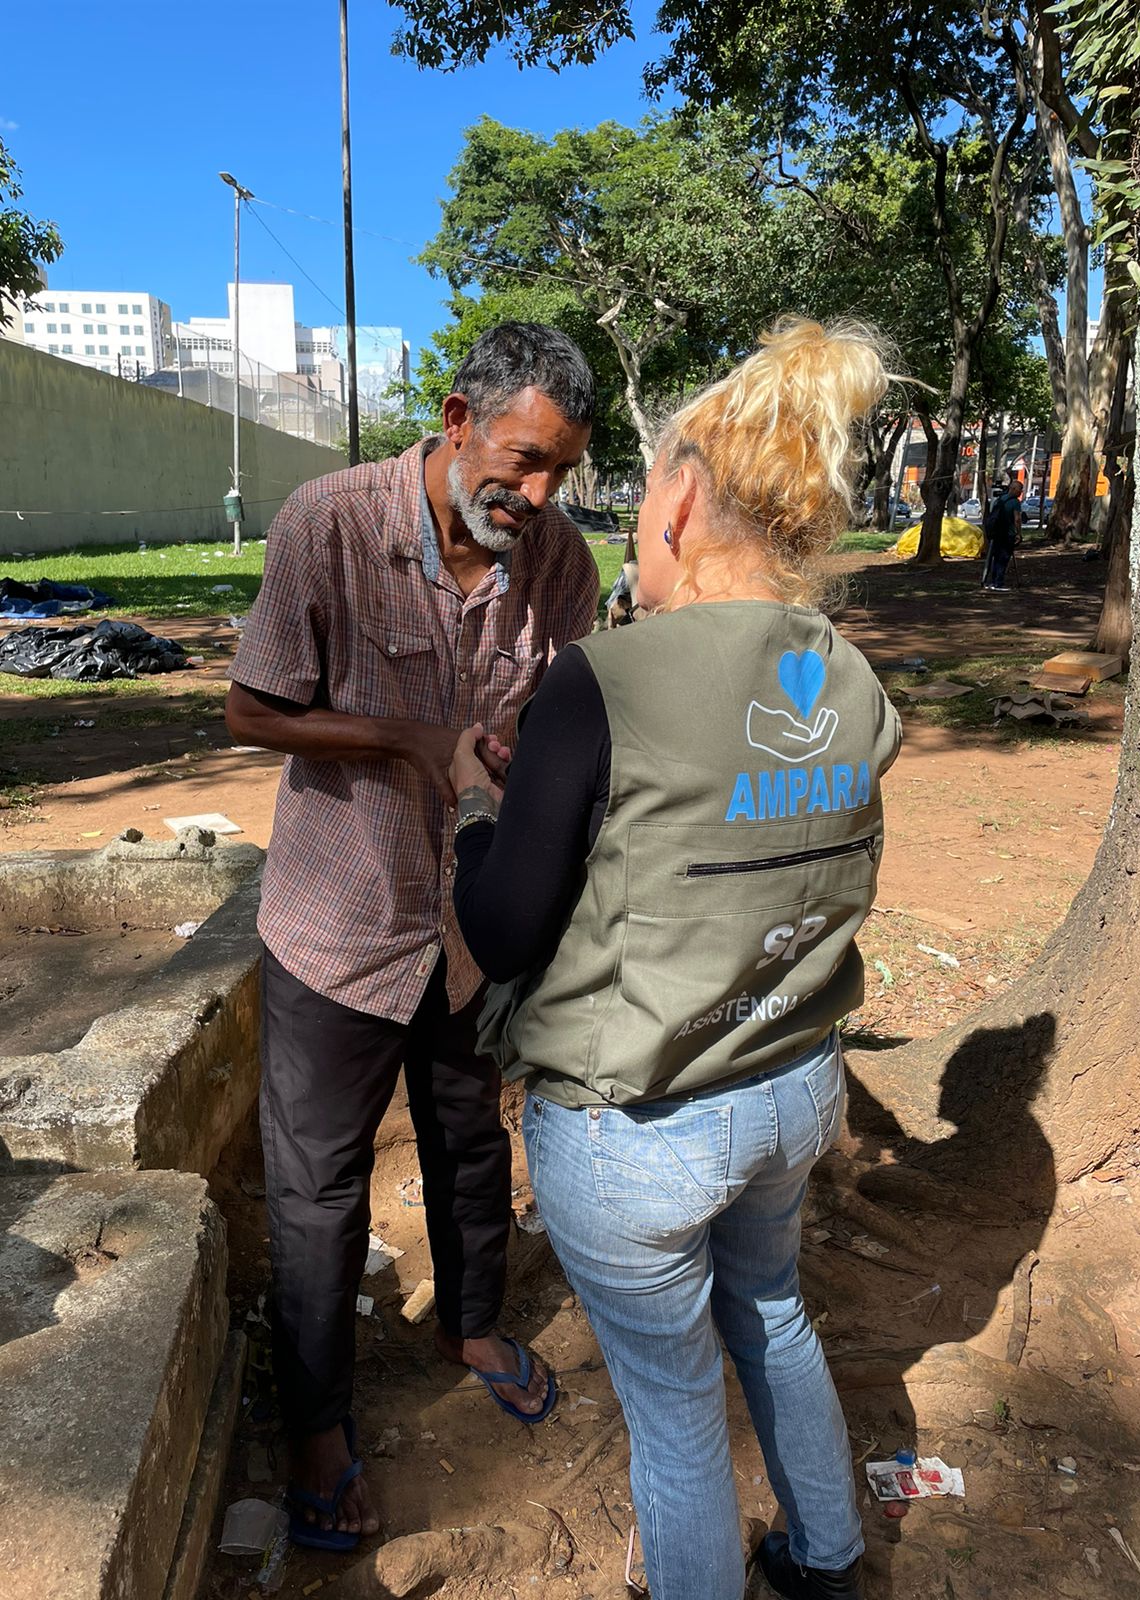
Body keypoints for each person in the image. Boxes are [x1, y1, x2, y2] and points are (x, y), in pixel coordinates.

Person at [448, 317, 903, 1600]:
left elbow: (502, 931)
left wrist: (483, 815)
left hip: (635, 1123)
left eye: (641, 496)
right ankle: (825, 1553)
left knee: (674, 1402)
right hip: (794, 1085)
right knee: (773, 1311)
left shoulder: (605, 680)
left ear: (685, 497)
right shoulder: (853, 680)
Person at [224, 323, 600, 1549]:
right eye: (522, 461)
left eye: (560, 474)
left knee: (468, 1135)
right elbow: (252, 708)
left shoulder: (561, 566)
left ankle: (471, 1318)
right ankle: (318, 1422)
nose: (536, 498)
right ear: (455, 419)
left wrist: (514, 769)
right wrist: (405, 736)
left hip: (467, 924)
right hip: (338, 919)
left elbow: (560, 715)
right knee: (319, 1184)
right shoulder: (325, 522)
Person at [982, 479, 1023, 589]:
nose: (1021, 492)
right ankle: (998, 583)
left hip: (996, 533)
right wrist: (1018, 534)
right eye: (1020, 489)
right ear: (1013, 489)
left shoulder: (1000, 499)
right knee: (1003, 559)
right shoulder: (1015, 502)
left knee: (996, 558)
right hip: (1007, 534)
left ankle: (993, 581)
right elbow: (1017, 519)